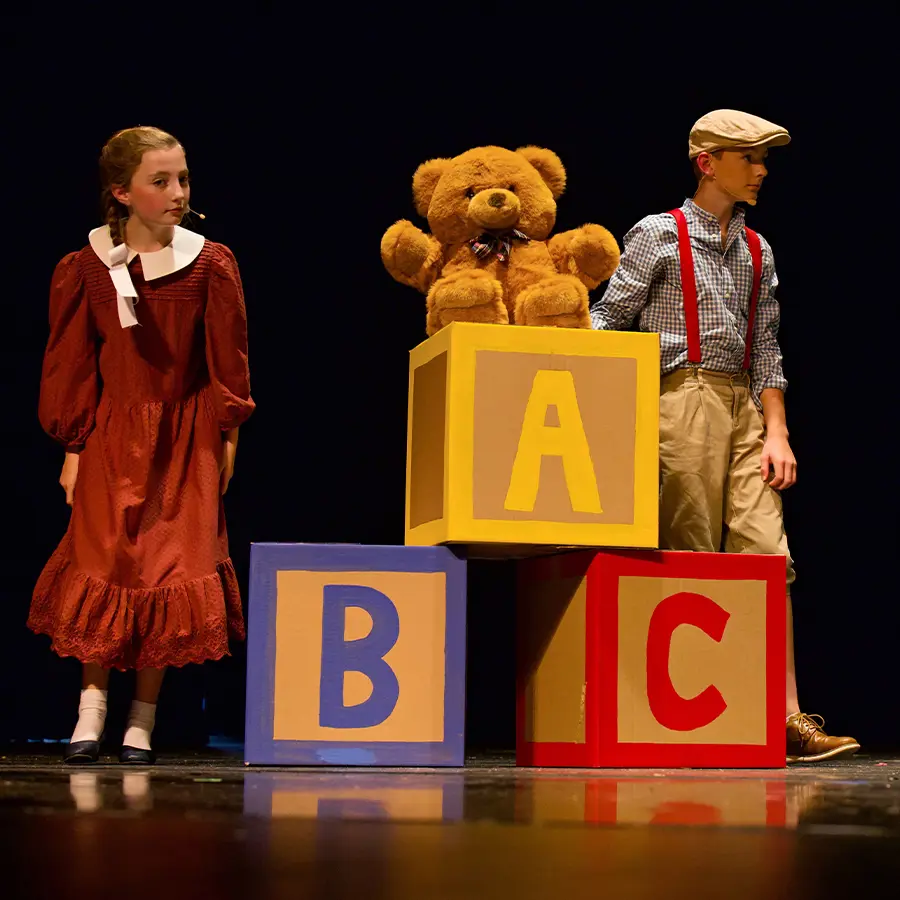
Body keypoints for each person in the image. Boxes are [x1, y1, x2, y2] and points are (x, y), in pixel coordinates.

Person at [590, 109, 858, 763]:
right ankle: (695, 711)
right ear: (707, 162)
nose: (762, 171)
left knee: (768, 557)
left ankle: (787, 716)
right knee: (691, 551)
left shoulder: (757, 249)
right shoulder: (657, 234)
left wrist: (778, 433)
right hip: (680, 397)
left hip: (743, 405)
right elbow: (609, 317)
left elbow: (766, 346)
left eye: (764, 161)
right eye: (749, 159)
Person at [28, 126, 255, 765]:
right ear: (122, 193)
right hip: (110, 435)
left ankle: (142, 720)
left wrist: (227, 433)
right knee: (107, 563)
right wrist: (73, 446)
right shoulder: (86, 270)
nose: (178, 192)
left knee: (170, 566)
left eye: (182, 178)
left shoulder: (210, 262)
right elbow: (71, 364)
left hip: (186, 439)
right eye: (161, 181)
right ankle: (90, 711)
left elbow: (226, 358)